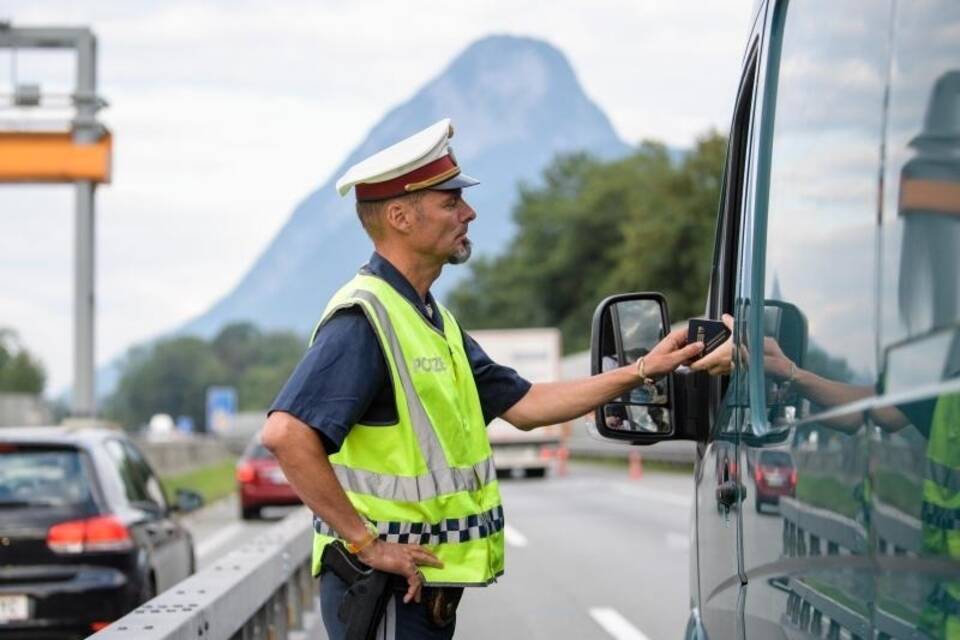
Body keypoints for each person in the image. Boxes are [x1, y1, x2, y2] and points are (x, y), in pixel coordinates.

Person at [260, 118, 706, 639]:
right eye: (451, 202)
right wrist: (367, 544)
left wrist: (643, 369)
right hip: (386, 595)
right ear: (401, 216)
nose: (468, 212)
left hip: (420, 596)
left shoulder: (431, 319)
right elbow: (286, 434)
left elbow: (527, 405)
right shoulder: (365, 319)